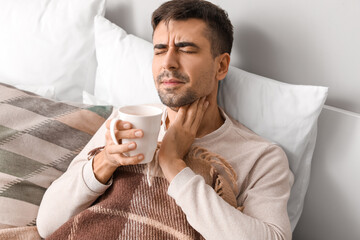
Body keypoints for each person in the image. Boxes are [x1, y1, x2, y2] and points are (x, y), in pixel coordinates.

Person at [37, 0, 293, 239]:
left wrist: (172, 163)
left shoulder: (261, 156)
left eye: (186, 49)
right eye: (159, 50)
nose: (167, 63)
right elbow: (48, 224)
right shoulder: (126, 119)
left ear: (221, 66)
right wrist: (105, 161)